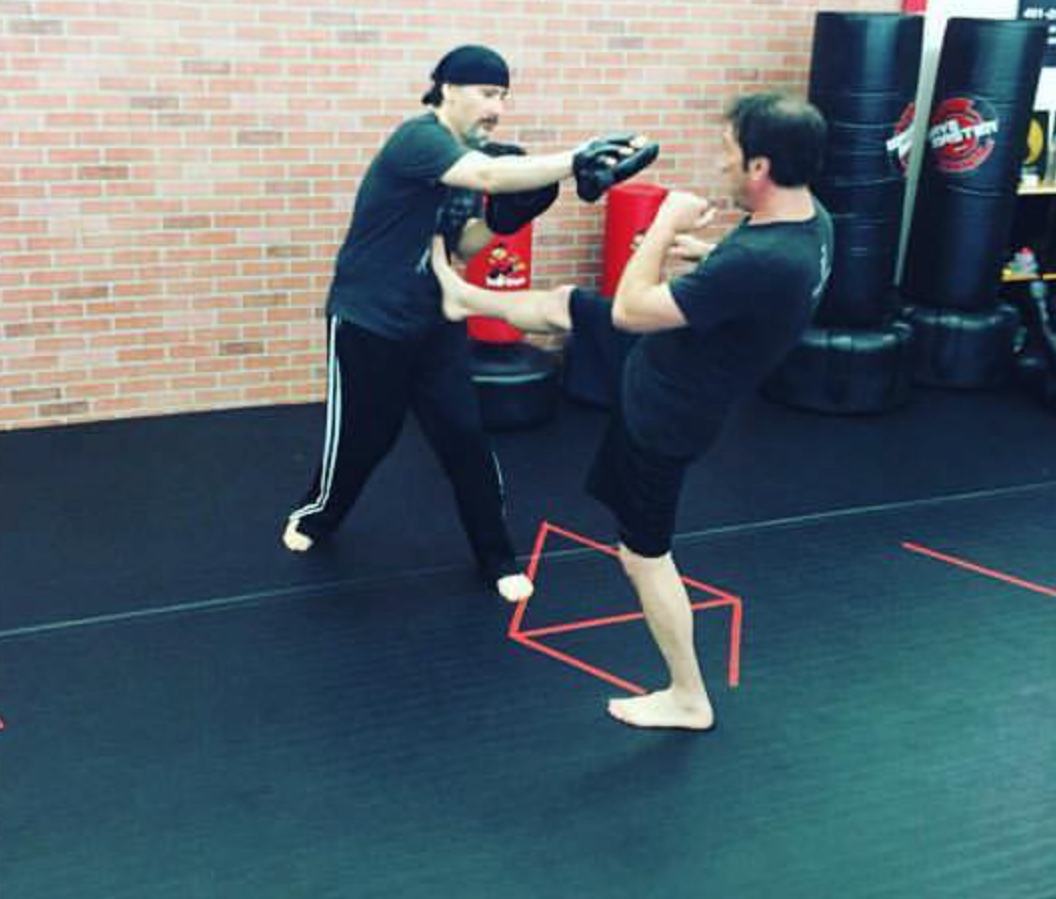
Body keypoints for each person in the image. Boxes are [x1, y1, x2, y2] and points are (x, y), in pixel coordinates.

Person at [430, 91, 833, 727]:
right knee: (567, 303)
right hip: (670, 357)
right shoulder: (810, 223)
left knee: (645, 555)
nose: (721, 163)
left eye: (729, 152)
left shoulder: (762, 261)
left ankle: (688, 697)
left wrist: (666, 227)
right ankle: (460, 296)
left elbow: (629, 307)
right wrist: (704, 256)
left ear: (760, 167)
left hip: (665, 410)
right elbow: (754, 276)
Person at [282, 44, 655, 604]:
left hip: (434, 319)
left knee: (466, 438)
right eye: (486, 94)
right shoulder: (419, 140)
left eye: (502, 96)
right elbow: (490, 173)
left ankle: (496, 556)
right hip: (368, 319)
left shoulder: (462, 164)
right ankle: (316, 516)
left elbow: (463, 246)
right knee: (365, 438)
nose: (496, 108)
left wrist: (507, 219)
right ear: (448, 89)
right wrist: (578, 156)